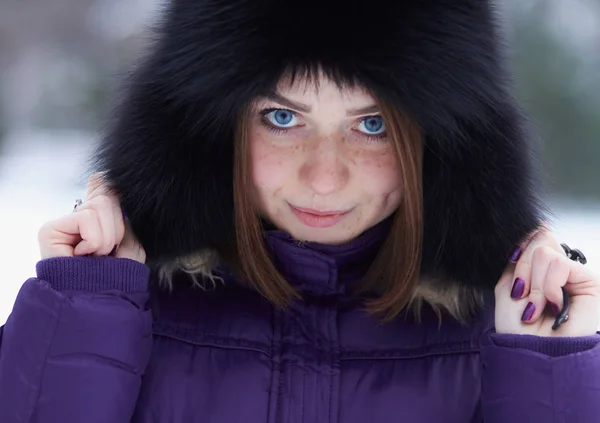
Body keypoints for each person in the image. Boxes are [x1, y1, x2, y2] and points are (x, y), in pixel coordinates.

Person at [1, 0, 599, 421]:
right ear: (211, 130)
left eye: (372, 125)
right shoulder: (121, 305)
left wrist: (545, 373)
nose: (324, 175)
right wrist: (85, 312)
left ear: (439, 145)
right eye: (282, 118)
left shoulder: (499, 335)